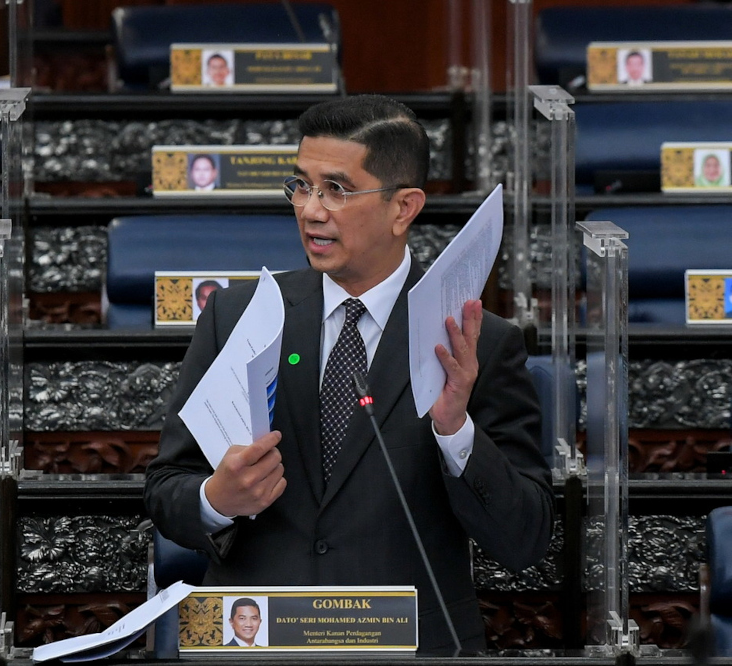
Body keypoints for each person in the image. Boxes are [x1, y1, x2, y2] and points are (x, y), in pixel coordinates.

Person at [145, 95, 554, 653]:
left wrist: (457, 432)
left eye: (336, 189)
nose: (311, 210)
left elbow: (525, 538)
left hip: (406, 648)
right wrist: (218, 498)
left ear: (403, 207)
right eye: (302, 186)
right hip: (257, 643)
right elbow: (167, 490)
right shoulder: (239, 317)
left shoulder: (474, 342)